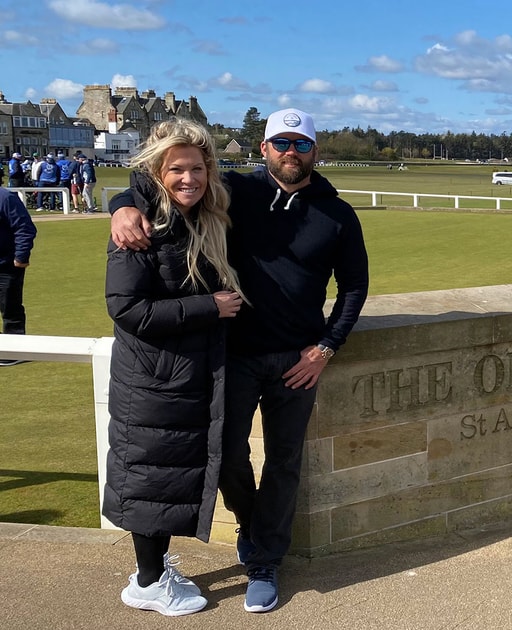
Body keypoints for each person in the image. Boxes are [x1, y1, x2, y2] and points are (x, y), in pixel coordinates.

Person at [109, 107, 370, 614]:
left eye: (300, 144)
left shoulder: (338, 214)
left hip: (299, 360)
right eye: (280, 143)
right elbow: (163, 177)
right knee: (227, 457)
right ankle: (251, 527)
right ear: (264, 148)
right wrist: (121, 205)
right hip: (233, 356)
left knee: (284, 463)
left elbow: (354, 287)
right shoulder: (233, 190)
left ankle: (265, 560)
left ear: (316, 151)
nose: (289, 153)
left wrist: (326, 348)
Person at [105, 119, 244, 616]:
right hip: (153, 379)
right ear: (157, 171)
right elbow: (127, 310)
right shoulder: (138, 224)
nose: (190, 178)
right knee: (151, 480)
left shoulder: (204, 216)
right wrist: (212, 306)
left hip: (186, 375)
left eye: (199, 167)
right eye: (177, 169)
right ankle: (146, 582)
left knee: (166, 478)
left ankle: (153, 570)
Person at [0, 184, 36, 366]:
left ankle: (14, 351)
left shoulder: (6, 198)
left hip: (6, 265)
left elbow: (25, 228)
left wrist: (21, 256)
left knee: (10, 307)